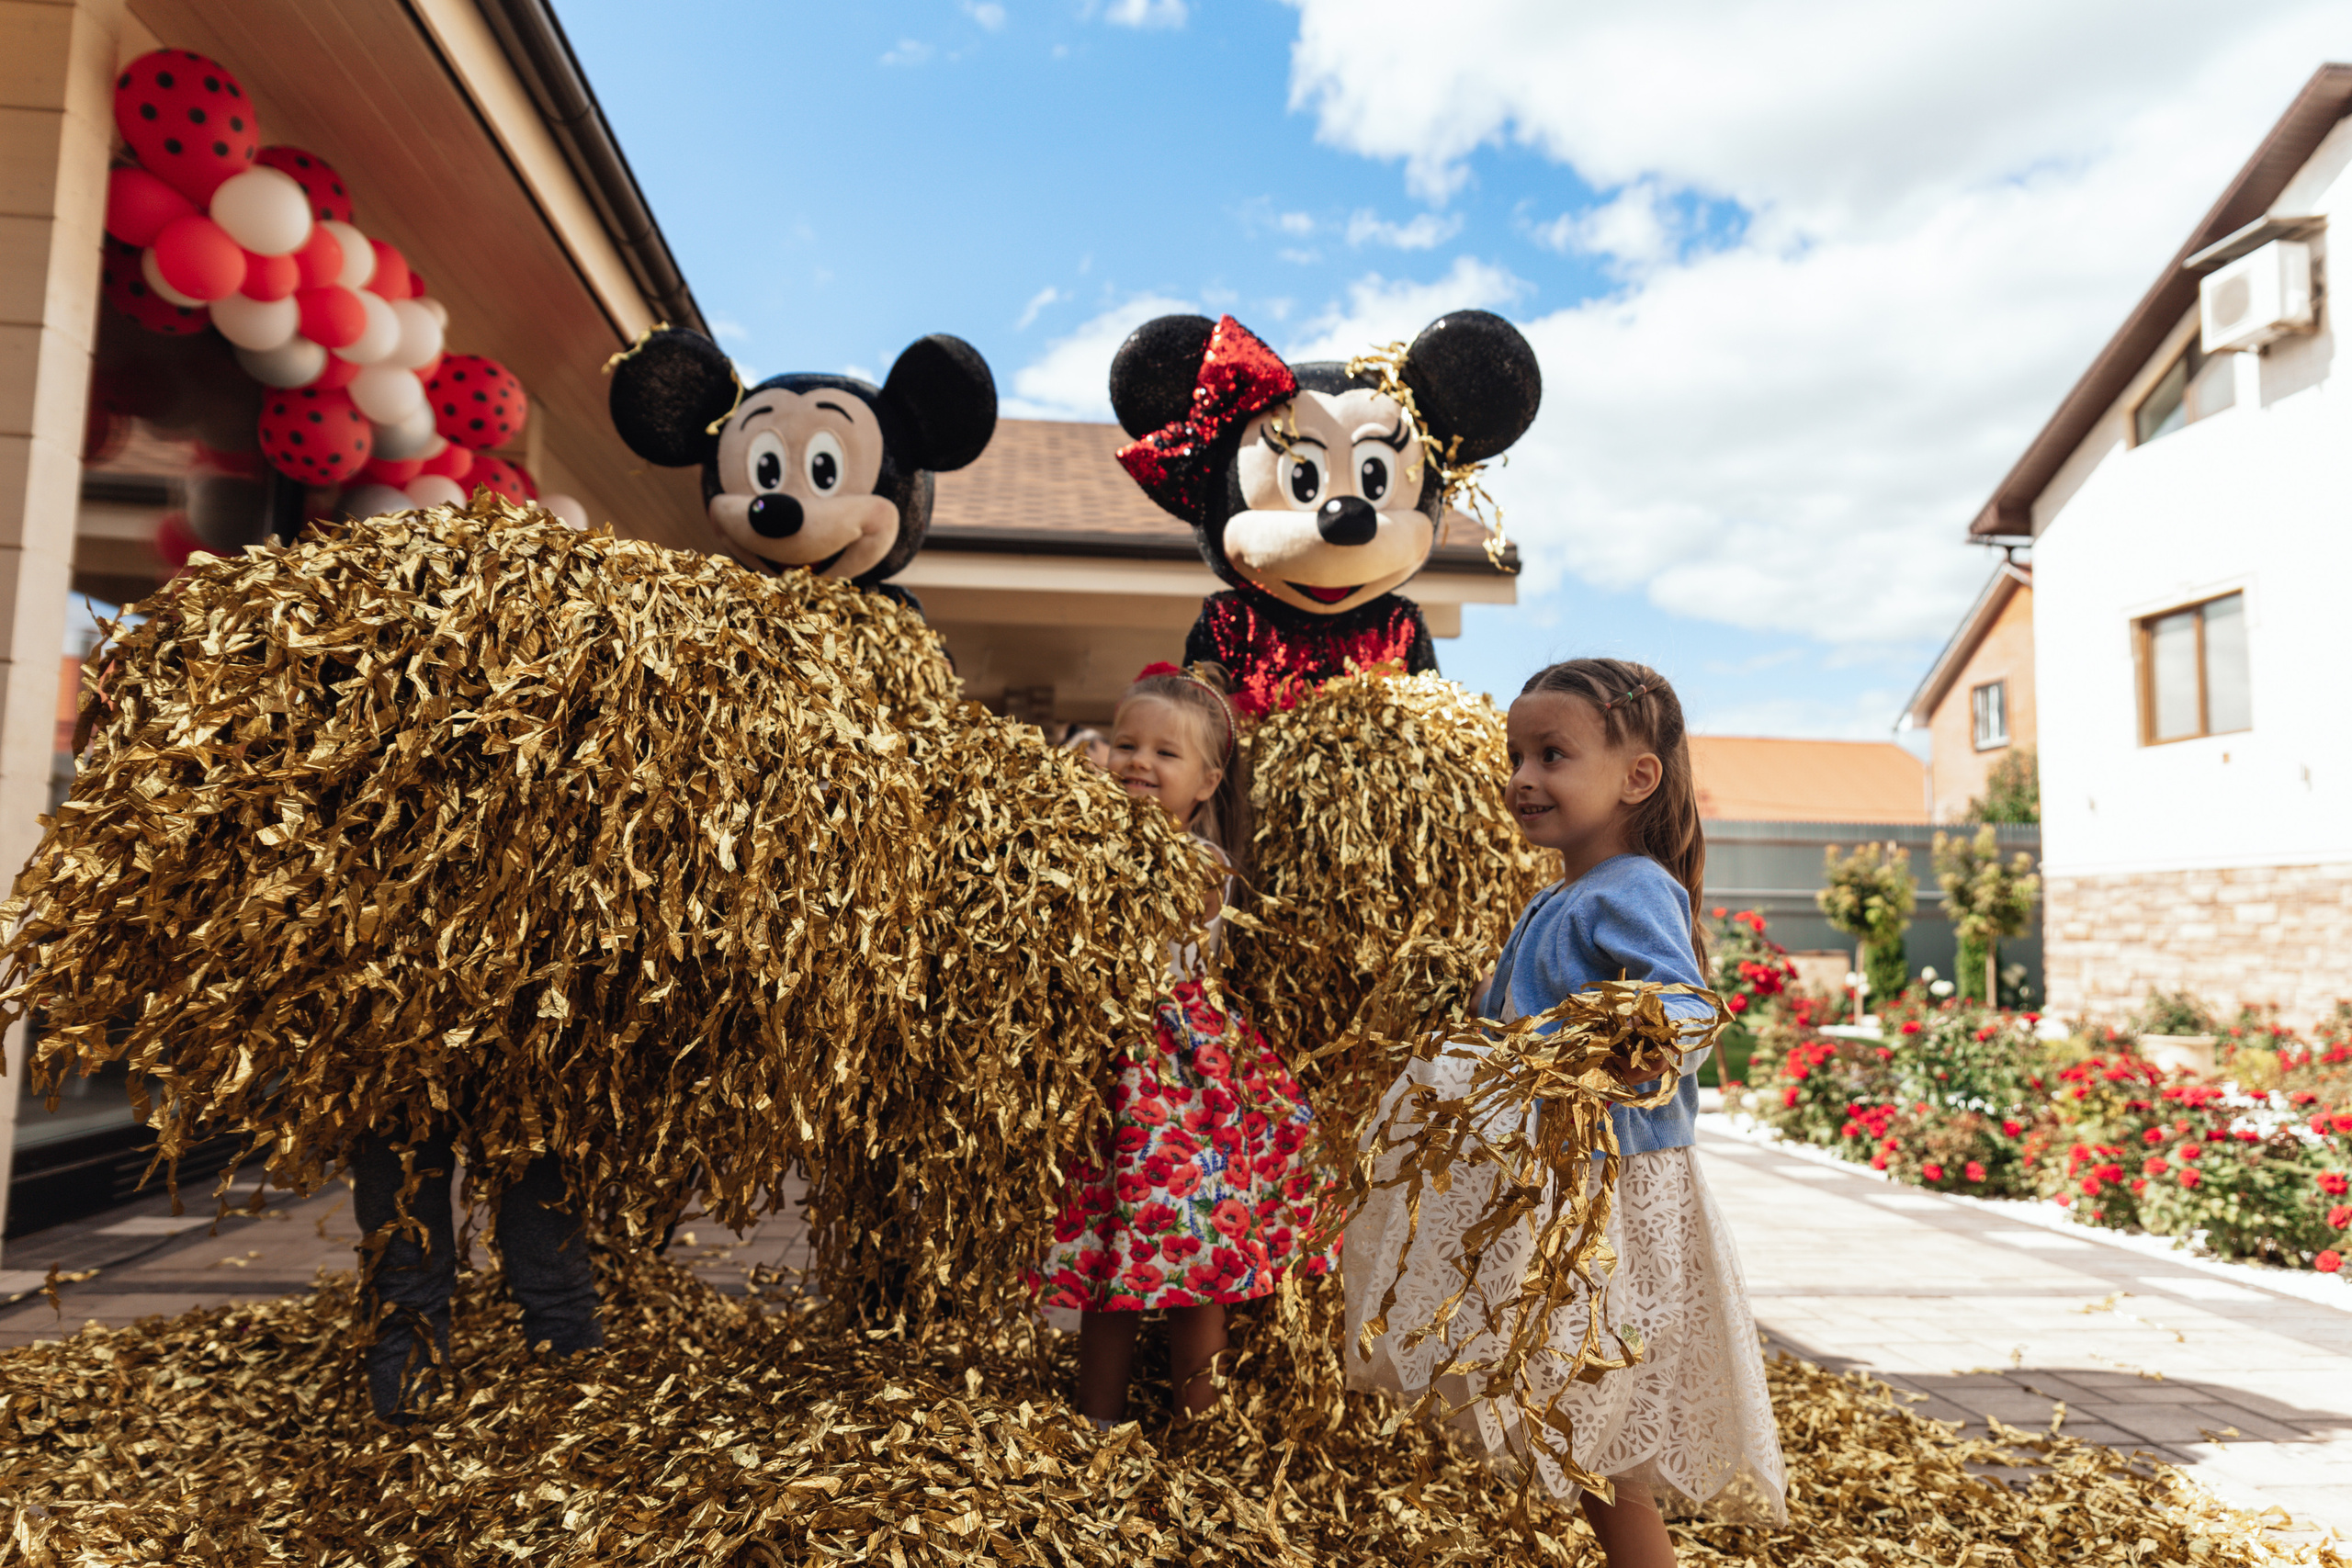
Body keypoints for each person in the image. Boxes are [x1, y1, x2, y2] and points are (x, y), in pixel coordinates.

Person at [1348, 657, 1785, 1565]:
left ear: (1637, 777)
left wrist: (1627, 1036)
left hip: (1606, 1198)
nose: (1522, 778)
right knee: (1574, 1418)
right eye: (1516, 755)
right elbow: (1512, 1023)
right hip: (1550, 1192)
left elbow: (1686, 1008)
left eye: (1552, 755)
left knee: (1597, 1422)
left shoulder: (1631, 887)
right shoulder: (1559, 896)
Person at [1030, 661, 1332, 1427]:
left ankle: (1199, 1435)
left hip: (1182, 1086)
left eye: (1166, 754)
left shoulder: (1199, 862)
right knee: (1111, 1260)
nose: (1138, 761)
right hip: (1113, 1074)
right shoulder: (1091, 842)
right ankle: (1095, 1423)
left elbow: (1141, 914)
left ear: (1206, 781)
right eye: (1126, 743)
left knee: (1200, 1266)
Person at [352, 1124, 604, 1422]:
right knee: (403, 1277)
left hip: (528, 1085)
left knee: (554, 1269)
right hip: (394, 1085)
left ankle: (575, 1426)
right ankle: (409, 1443)